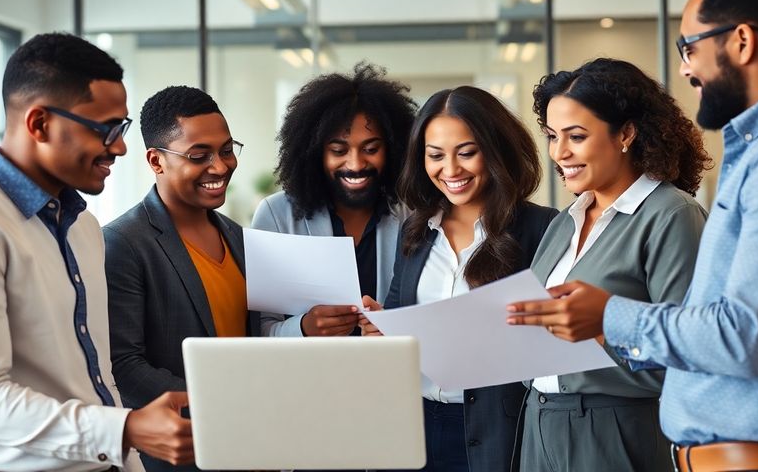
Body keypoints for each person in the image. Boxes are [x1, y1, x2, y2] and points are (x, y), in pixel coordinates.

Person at [507, 0, 758, 471]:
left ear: (741, 41)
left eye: (690, 47)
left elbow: (744, 336)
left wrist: (608, 316)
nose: (684, 68)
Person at [0, 33, 193, 471]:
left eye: (123, 128)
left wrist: (123, 455)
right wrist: (126, 429)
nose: (119, 147)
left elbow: (97, 379)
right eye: (106, 130)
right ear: (39, 124)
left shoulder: (83, 226)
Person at [512, 58, 709, 472]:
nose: (559, 153)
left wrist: (597, 332)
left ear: (626, 133)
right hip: (539, 422)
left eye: (576, 136)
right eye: (552, 136)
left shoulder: (671, 215)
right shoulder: (566, 220)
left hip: (615, 427)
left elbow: (688, 353)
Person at [361, 86, 558, 472]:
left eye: (467, 153)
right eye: (435, 156)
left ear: (496, 150)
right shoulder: (415, 231)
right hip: (411, 423)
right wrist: (382, 326)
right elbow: (401, 317)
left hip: (496, 428)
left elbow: (552, 338)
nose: (450, 171)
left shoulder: (542, 228)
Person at [105, 86, 257, 471]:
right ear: (156, 161)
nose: (221, 167)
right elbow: (124, 364)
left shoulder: (236, 235)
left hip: (252, 442)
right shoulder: (122, 243)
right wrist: (220, 405)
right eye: (199, 155)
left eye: (226, 149)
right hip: (183, 451)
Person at [252, 62, 416, 337]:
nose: (355, 163)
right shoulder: (275, 215)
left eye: (371, 148)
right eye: (338, 150)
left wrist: (393, 327)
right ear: (315, 152)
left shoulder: (413, 214)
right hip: (311, 375)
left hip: (391, 374)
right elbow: (255, 328)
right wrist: (303, 327)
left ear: (393, 149)